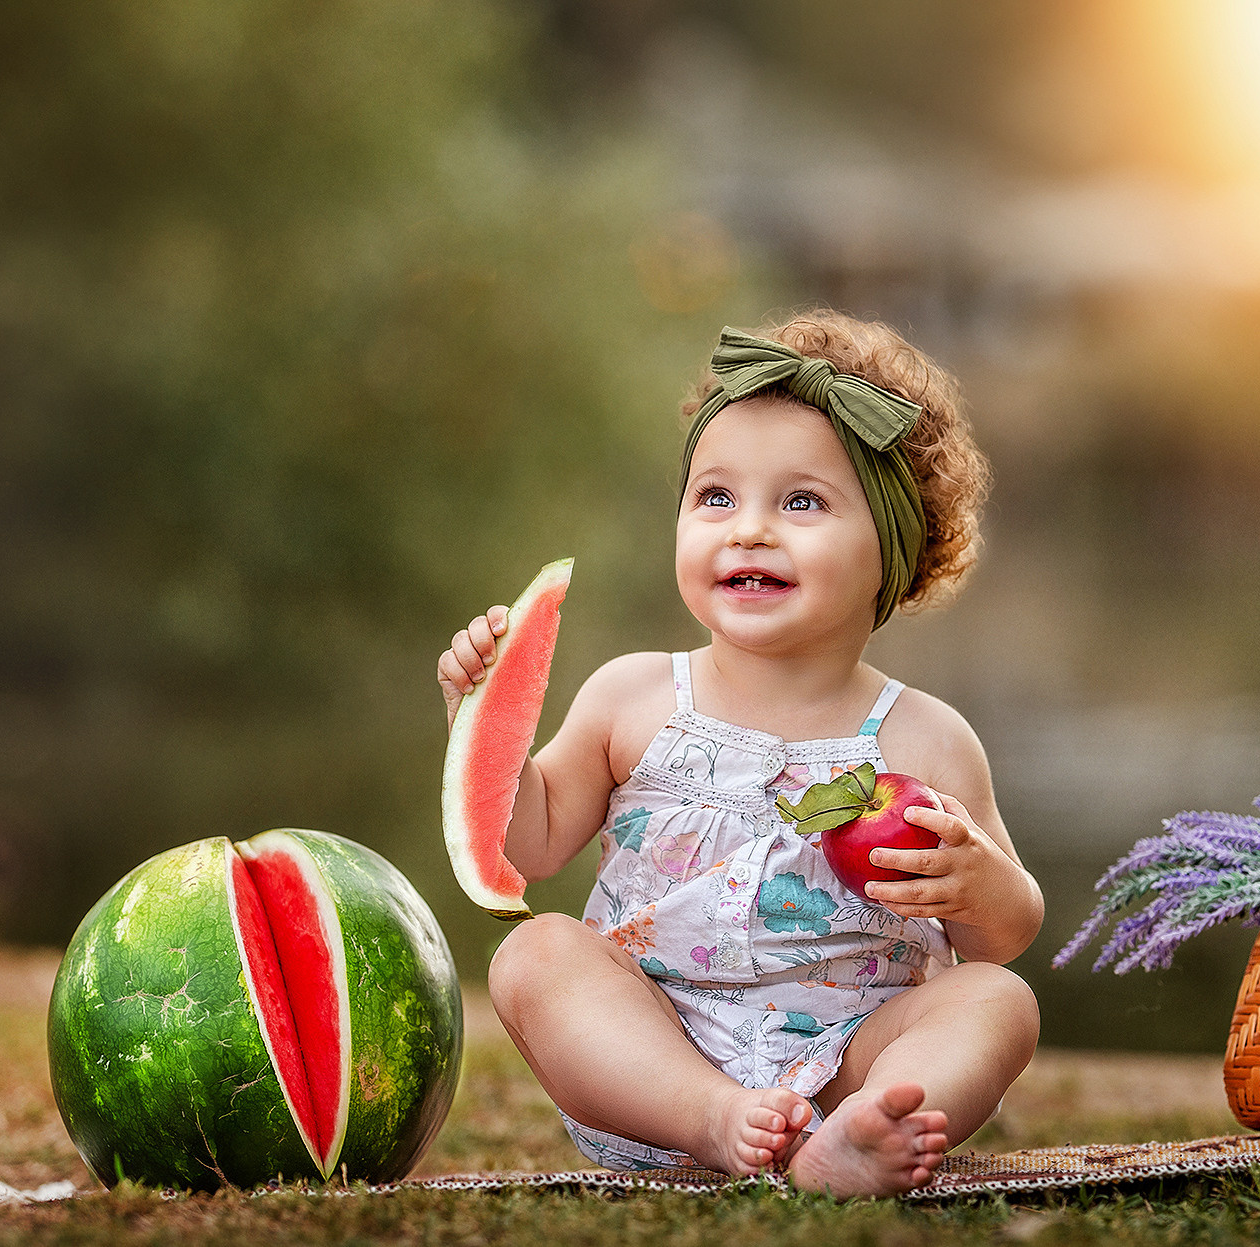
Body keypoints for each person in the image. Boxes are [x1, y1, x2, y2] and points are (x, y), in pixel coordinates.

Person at [437, 312, 1043, 1198]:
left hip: (849, 1061)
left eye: (801, 502)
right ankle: (713, 1118)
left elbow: (1002, 937)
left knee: (997, 1004)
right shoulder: (632, 696)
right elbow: (527, 846)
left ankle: (860, 1136)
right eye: (716, 496)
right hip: (650, 1061)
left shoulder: (925, 736)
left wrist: (980, 885)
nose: (748, 529)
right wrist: (480, 722)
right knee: (534, 956)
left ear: (894, 548)